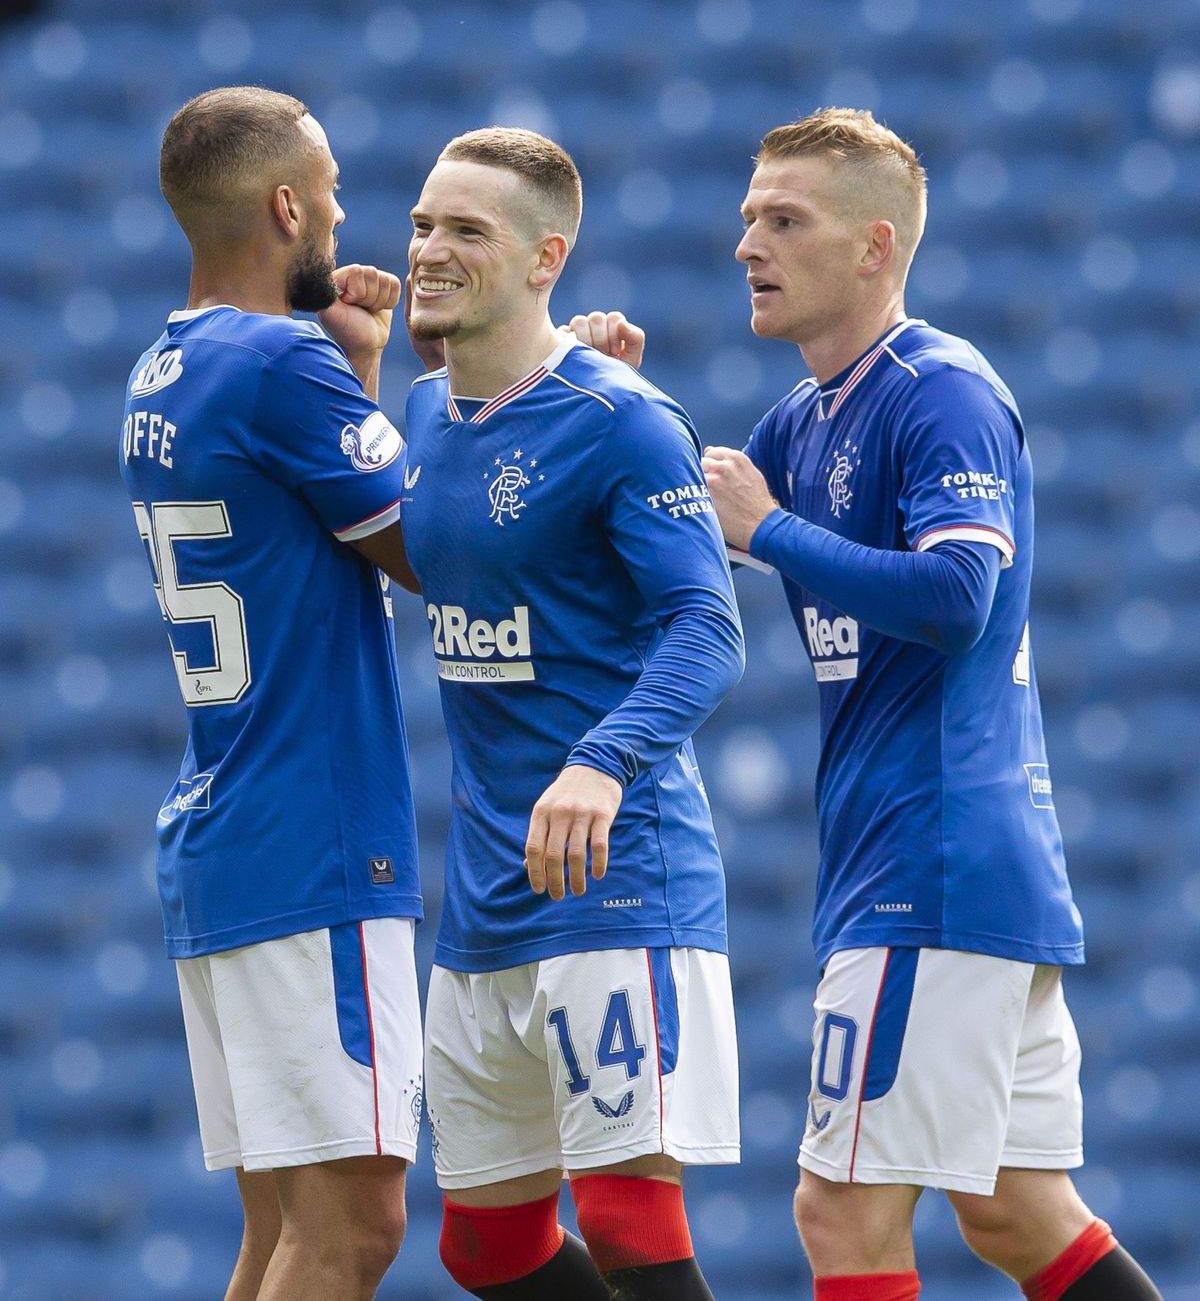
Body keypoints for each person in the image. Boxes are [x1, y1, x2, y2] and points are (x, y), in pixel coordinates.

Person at [693, 109, 1163, 1301]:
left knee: (840, 1213)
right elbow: (689, 523)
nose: (749, 241)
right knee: (1017, 1214)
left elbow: (960, 594)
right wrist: (588, 369)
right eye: (749, 216)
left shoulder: (940, 389)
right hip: (946, 863)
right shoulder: (803, 421)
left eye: (785, 220)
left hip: (933, 861)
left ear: (875, 246)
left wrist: (773, 532)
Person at [401, 127, 745, 1300]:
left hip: (615, 877)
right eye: (422, 224)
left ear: (547, 256)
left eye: (467, 231)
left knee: (632, 1226)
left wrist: (603, 760)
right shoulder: (427, 416)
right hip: (487, 891)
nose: (430, 250)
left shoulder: (625, 422)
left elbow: (709, 625)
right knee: (482, 1246)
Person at [119, 86, 425, 1301]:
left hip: (228, 823)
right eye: (335, 188)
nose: (346, 215)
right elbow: (423, 551)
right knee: (353, 1227)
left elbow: (308, 515)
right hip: (315, 836)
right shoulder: (279, 360)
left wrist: (355, 373)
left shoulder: (163, 362)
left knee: (278, 1232)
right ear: (285, 203)